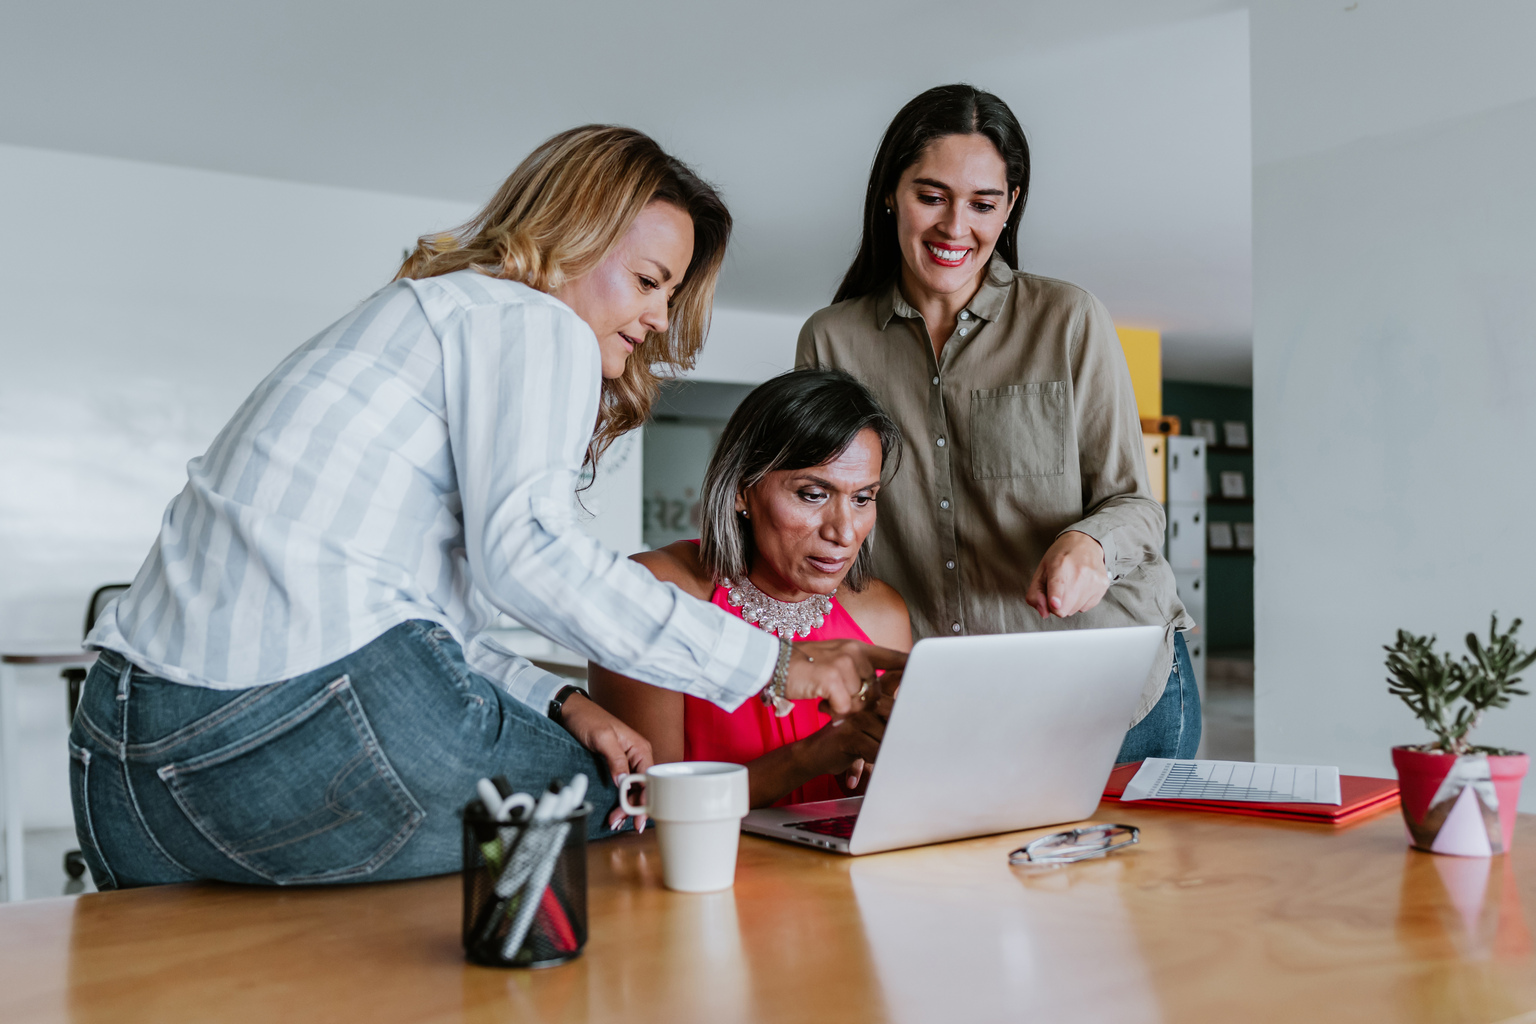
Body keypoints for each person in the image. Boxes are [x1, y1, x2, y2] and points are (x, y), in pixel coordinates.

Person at [70, 125, 904, 890]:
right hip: (280, 723)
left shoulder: (420, 321)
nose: (656, 320)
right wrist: (779, 665)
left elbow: (425, 622)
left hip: (120, 761)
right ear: (569, 237)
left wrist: (559, 701)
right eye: (650, 283)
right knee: (633, 801)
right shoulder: (532, 319)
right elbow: (530, 555)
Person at [796, 85, 1197, 761]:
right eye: (932, 196)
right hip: (959, 704)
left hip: (1116, 689)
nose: (957, 227)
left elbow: (1135, 505)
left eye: (983, 204)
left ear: (1010, 206)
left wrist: (1090, 545)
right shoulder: (831, 343)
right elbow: (827, 531)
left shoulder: (1068, 320)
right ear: (890, 193)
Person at [591, 370, 911, 810]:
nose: (844, 532)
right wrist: (812, 757)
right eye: (814, 494)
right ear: (743, 489)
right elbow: (646, 811)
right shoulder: (658, 592)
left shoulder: (881, 615)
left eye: (862, 498)